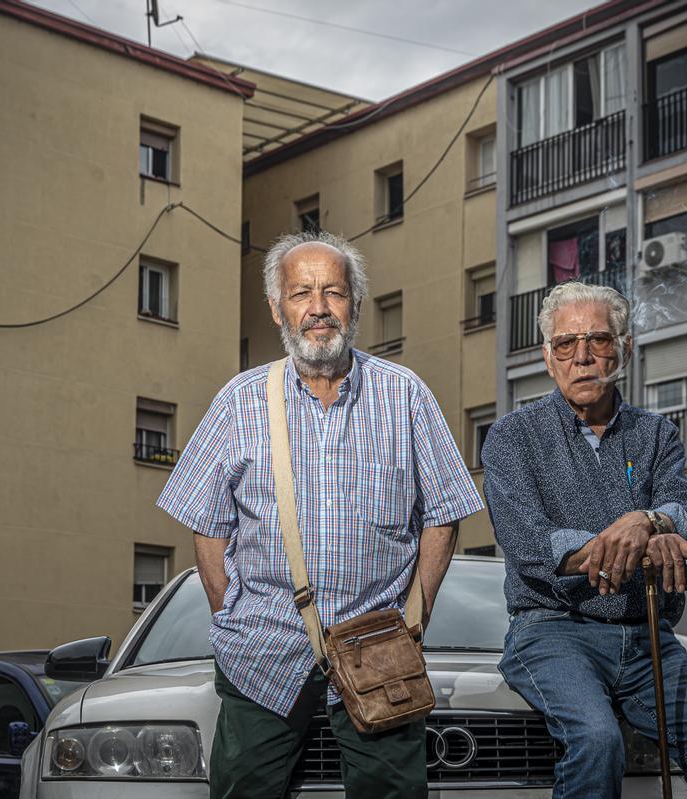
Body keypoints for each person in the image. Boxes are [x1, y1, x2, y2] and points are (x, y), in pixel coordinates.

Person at [156, 230, 483, 799]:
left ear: (354, 303)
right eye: (301, 292)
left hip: (379, 648)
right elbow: (205, 522)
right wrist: (231, 617)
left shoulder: (405, 395)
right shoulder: (240, 400)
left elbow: (445, 514)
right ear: (276, 307)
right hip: (260, 654)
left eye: (332, 292)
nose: (318, 308)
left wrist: (413, 619)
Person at [482, 281, 687, 799]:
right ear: (548, 357)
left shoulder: (656, 434)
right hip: (551, 631)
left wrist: (649, 520)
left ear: (624, 351)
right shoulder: (513, 436)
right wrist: (635, 535)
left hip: (646, 632)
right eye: (566, 344)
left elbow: (683, 510)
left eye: (599, 340)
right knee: (597, 738)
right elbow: (528, 543)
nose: (582, 357)